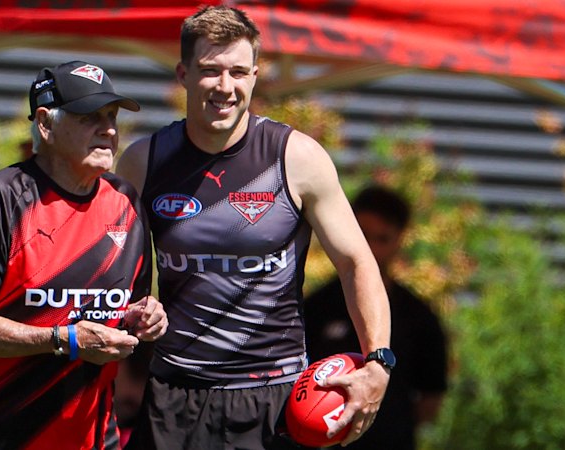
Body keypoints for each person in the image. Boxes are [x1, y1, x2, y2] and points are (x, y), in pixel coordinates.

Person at [116, 6, 392, 450]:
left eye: (238, 72)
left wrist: (378, 361)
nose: (225, 87)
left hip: (274, 399)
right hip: (173, 396)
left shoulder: (296, 158)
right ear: (183, 74)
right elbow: (110, 271)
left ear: (255, 76)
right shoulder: (142, 162)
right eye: (210, 71)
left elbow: (356, 262)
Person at [0, 60, 168, 450]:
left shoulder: (126, 202)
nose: (108, 130)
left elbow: (126, 309)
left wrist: (145, 315)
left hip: (93, 439)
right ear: (45, 124)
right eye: (89, 117)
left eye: (111, 117)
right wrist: (64, 340)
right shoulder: (3, 196)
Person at [304, 185, 448, 450]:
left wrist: (384, 419)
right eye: (363, 235)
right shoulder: (314, 308)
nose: (369, 248)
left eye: (382, 238)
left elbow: (431, 398)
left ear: (400, 240)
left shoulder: (419, 317)